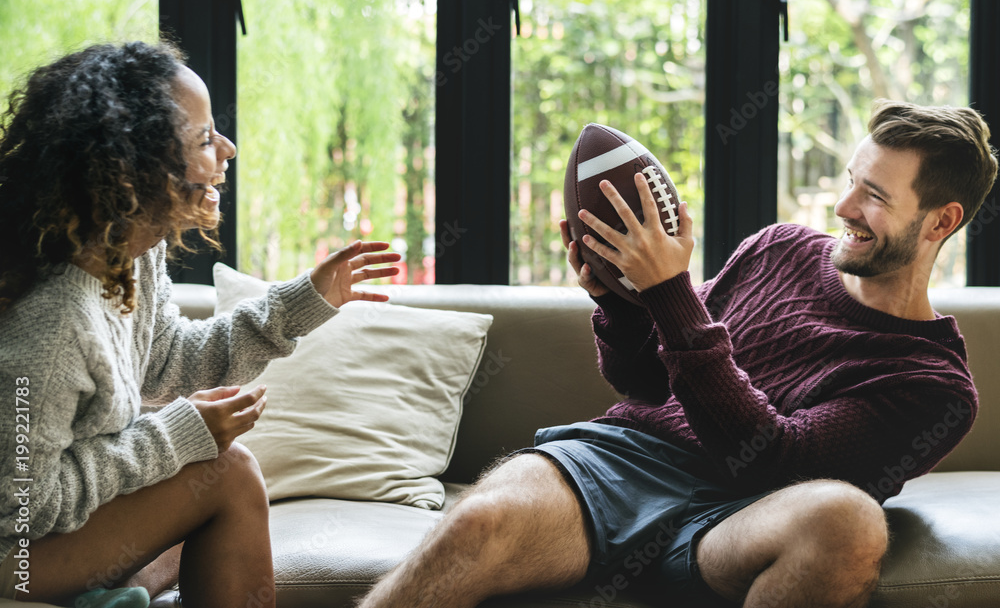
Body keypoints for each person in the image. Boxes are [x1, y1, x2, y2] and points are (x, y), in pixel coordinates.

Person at [357, 100, 998, 608]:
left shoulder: (934, 386)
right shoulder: (779, 248)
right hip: (620, 467)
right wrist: (623, 301)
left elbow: (773, 462)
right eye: (852, 182)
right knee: (475, 525)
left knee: (848, 519)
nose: (844, 207)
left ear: (940, 222)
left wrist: (670, 293)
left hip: (741, 516)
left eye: (876, 197)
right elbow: (645, 383)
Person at [0, 41, 401, 608]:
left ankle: (111, 595)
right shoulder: (56, 322)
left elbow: (167, 361)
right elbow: (23, 507)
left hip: (46, 536)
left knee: (201, 485)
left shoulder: (131, 255)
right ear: (134, 171)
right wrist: (174, 437)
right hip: (13, 557)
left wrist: (303, 301)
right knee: (228, 472)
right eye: (205, 140)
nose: (228, 149)